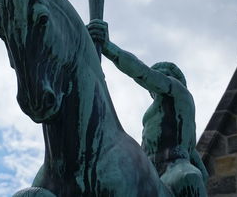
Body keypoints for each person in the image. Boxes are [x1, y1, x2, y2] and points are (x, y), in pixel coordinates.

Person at [88, 19, 208, 196]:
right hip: (149, 169)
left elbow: (143, 73)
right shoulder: (153, 114)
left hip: (175, 166)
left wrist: (108, 47)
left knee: (189, 177)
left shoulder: (180, 94)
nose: (156, 81)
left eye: (162, 75)